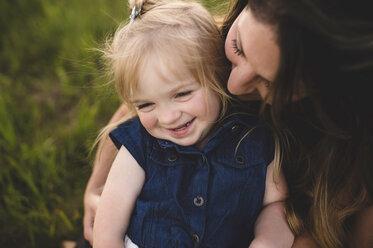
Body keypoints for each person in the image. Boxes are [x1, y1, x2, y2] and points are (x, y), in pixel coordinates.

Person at [83, 0, 373, 247]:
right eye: (239, 48)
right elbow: (143, 99)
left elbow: (280, 208)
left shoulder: (260, 141)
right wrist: (95, 189)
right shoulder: (196, 51)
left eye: (269, 83)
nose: (231, 85)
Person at [91, 0, 294, 247]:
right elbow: (107, 231)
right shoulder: (139, 147)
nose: (167, 118)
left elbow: (275, 203)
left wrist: (268, 240)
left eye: (181, 94)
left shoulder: (254, 137)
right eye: (145, 105)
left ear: (217, 75)